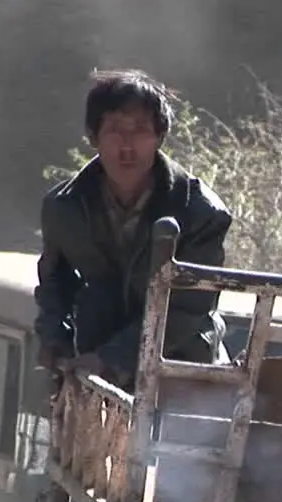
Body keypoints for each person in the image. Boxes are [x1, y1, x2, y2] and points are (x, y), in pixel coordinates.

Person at [33, 69, 233, 387]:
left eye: (140, 130)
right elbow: (54, 280)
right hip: (93, 368)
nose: (127, 145)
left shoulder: (200, 213)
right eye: (114, 129)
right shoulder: (63, 207)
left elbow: (188, 307)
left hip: (179, 372)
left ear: (159, 136)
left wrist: (114, 359)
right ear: (93, 136)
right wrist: (54, 334)